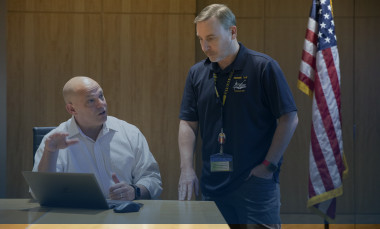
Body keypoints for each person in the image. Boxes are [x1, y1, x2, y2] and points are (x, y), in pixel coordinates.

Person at [178, 4, 298, 227]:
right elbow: (188, 122)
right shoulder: (197, 73)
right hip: (212, 183)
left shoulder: (263, 67)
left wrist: (268, 166)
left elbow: (289, 118)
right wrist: (186, 169)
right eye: (200, 39)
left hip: (255, 183)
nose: (205, 46)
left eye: (211, 38)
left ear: (233, 32)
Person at [33, 76, 162, 200]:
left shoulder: (130, 133)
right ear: (72, 109)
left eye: (101, 96)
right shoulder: (53, 142)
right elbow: (40, 194)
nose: (102, 105)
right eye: (91, 101)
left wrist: (135, 191)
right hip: (76, 218)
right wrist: (50, 153)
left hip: (124, 217)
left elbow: (152, 179)